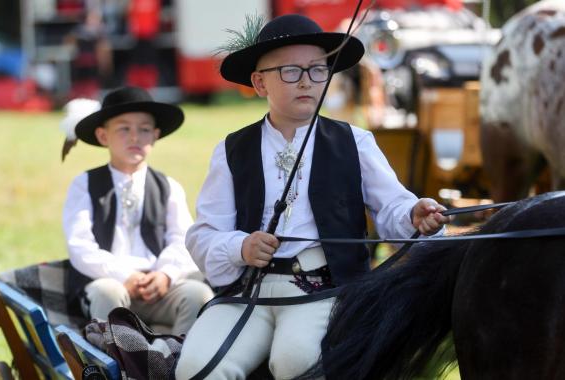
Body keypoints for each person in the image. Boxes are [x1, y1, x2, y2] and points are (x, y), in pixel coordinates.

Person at [176, 14, 451, 379]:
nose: (307, 81)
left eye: (318, 69)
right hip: (248, 291)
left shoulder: (355, 142)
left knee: (298, 361)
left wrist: (415, 214)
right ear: (260, 83)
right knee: (197, 367)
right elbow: (204, 234)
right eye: (290, 71)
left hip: (323, 289)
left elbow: (394, 207)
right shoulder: (232, 150)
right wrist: (240, 247)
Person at [62, 86, 214, 336]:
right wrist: (124, 275)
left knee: (198, 294)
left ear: (154, 136)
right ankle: (119, 365)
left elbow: (182, 239)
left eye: (144, 130)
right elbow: (80, 245)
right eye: (124, 129)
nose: (135, 137)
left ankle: (176, 362)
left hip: (156, 288)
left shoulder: (168, 187)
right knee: (108, 292)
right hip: (106, 282)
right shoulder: (84, 184)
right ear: (103, 136)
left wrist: (165, 274)